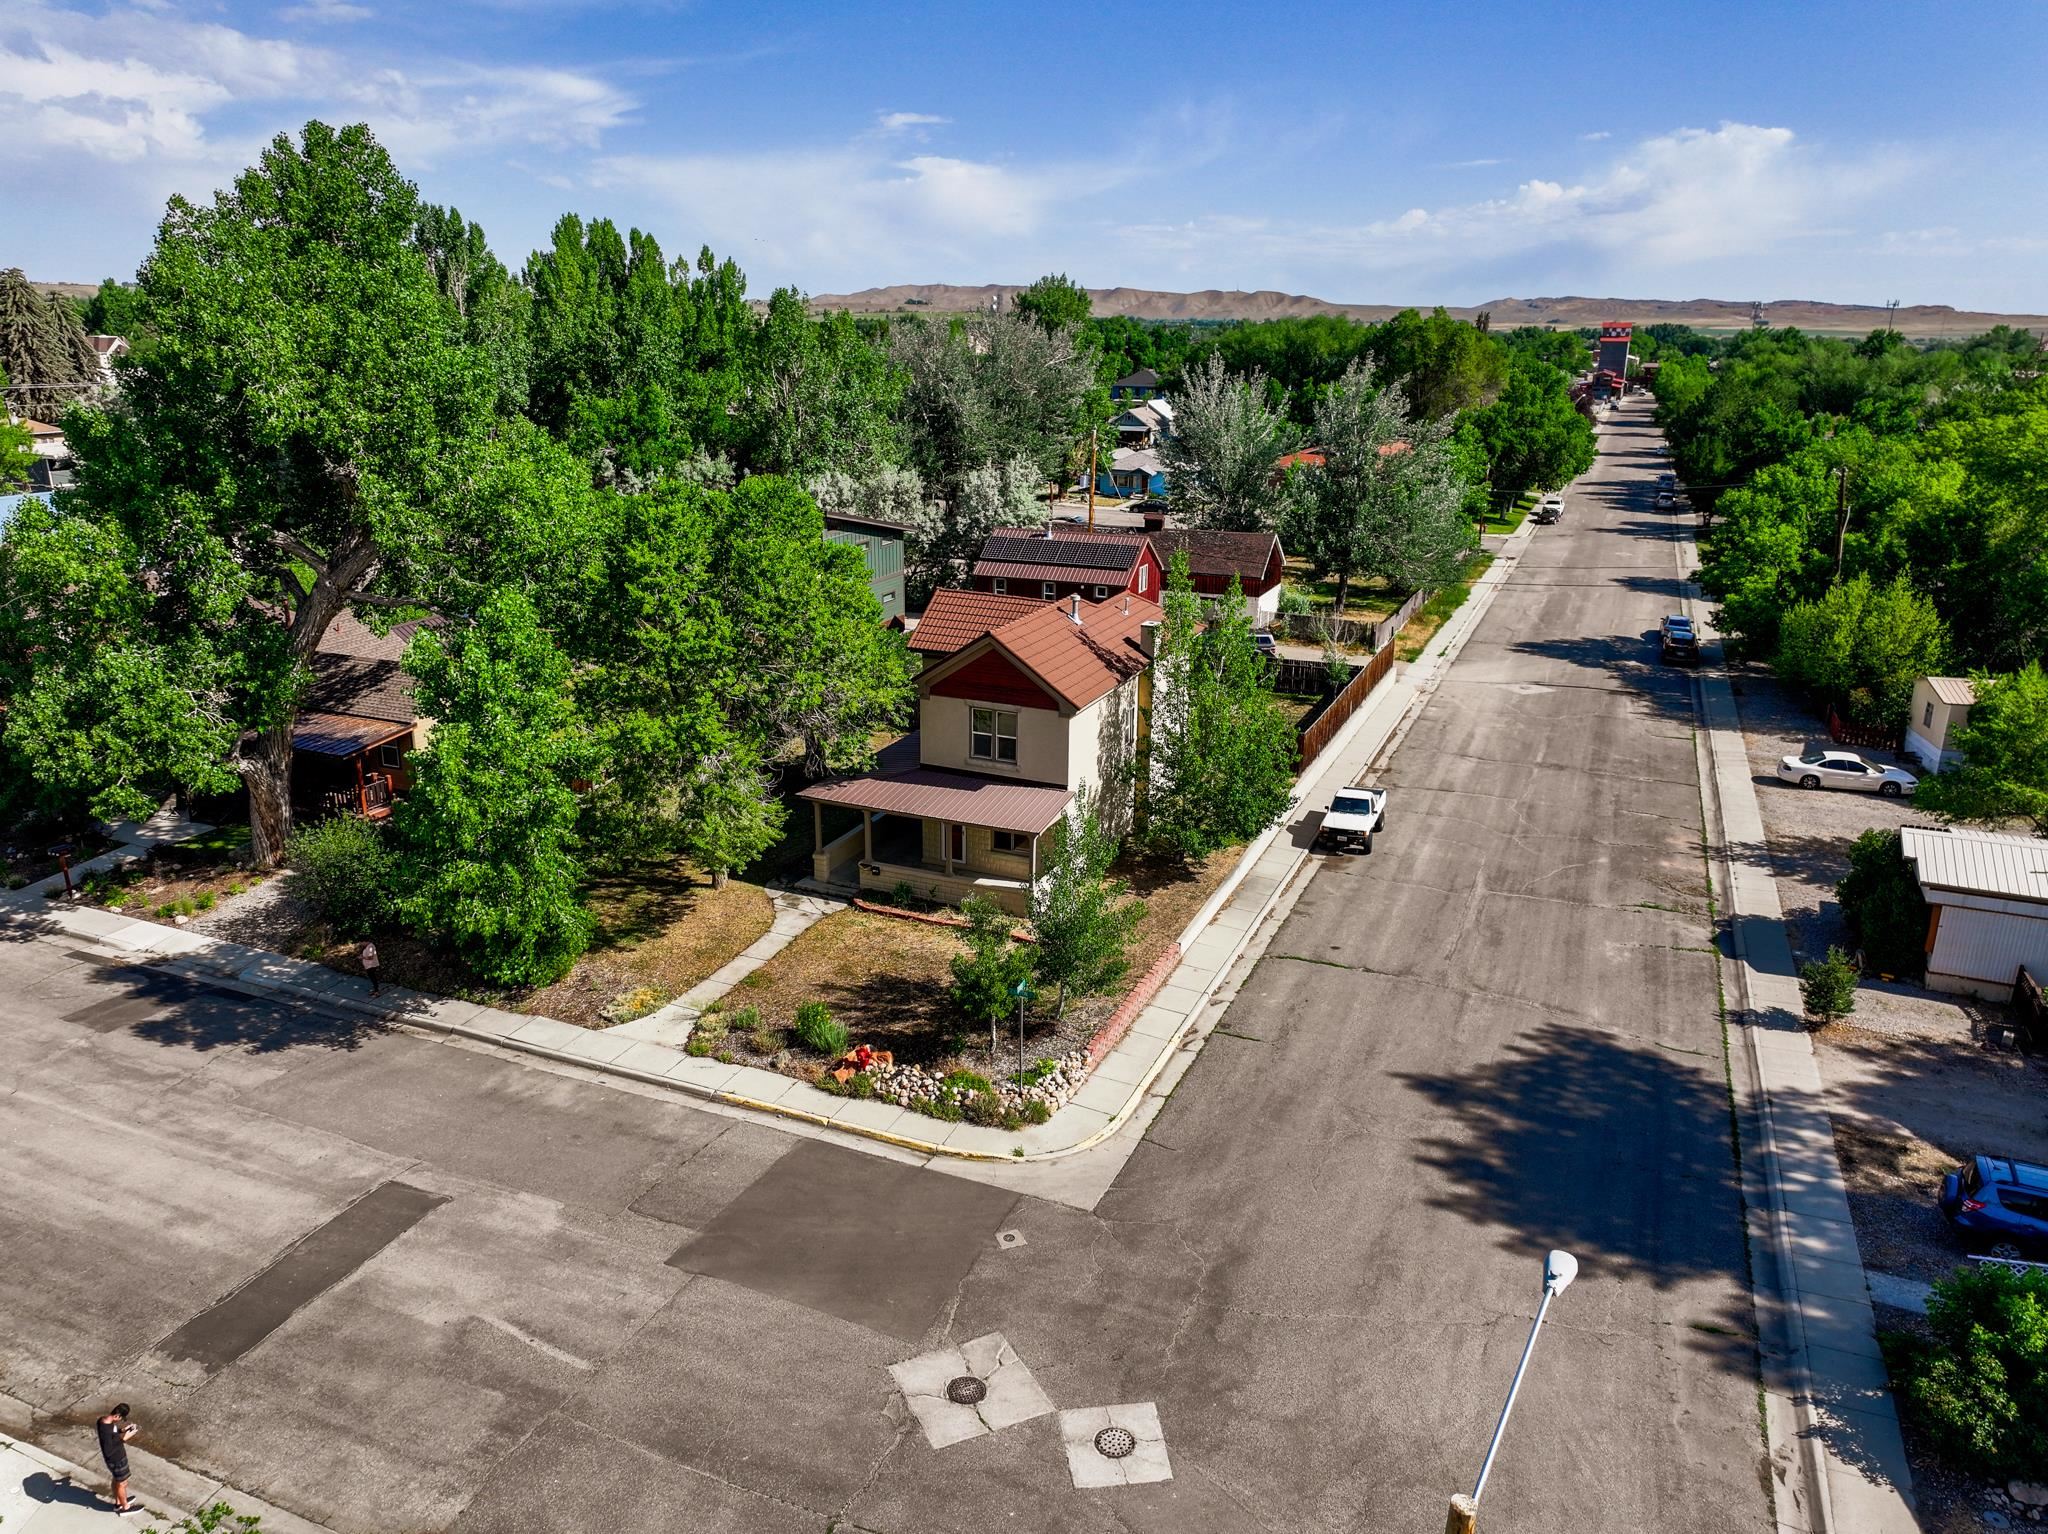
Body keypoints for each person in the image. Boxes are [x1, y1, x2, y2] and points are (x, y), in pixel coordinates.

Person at [96, 1403, 142, 1514]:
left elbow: (113, 1434)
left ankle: (119, 1503)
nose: (119, 1420)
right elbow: (109, 1449)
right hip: (116, 1459)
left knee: (117, 1480)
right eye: (121, 1418)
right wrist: (125, 1438)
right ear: (117, 1415)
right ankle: (125, 1508)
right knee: (122, 1483)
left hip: (118, 1458)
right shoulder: (106, 1429)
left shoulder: (104, 1420)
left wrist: (123, 1430)